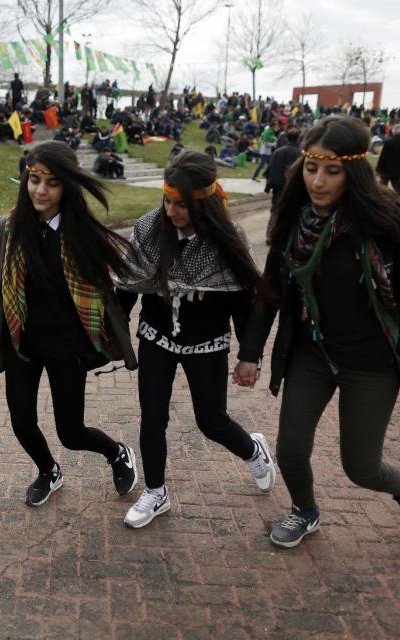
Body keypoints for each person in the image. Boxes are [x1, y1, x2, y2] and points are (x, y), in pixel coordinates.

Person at [234, 116, 400, 549]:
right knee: (291, 450)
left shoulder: (388, 224)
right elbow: (270, 293)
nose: (318, 180)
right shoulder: (292, 221)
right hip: (311, 355)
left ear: (353, 171)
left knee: (361, 467)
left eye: (332, 171)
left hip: (372, 362)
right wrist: (250, 352)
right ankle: (304, 510)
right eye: (312, 168)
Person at [0, 141, 138, 507]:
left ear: (66, 186)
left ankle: (117, 452)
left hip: (68, 346)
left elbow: (115, 290)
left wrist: (115, 331)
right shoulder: (9, 228)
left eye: (51, 182)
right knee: (21, 421)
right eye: (34, 179)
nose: (40, 190)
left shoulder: (82, 233)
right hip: (22, 343)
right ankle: (48, 470)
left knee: (72, 432)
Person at [115, 149, 276, 529]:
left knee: (212, 421)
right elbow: (129, 285)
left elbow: (242, 298)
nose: (172, 212)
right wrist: (114, 332)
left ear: (203, 203)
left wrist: (249, 355)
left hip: (208, 342)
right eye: (168, 201)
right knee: (152, 417)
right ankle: (156, 491)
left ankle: (253, 449)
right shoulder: (148, 229)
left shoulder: (227, 239)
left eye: (183, 205)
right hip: (156, 337)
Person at [264, 130, 302, 243]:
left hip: (278, 187)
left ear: (286, 139)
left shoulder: (278, 152)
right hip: (293, 188)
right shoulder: (300, 154)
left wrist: (268, 185)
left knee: (275, 210)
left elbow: (271, 169)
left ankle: (270, 236)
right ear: (298, 139)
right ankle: (286, 237)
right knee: (291, 212)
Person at [376, 125, 400, 198]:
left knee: (381, 189)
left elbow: (382, 157)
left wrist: (378, 168)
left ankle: (380, 203)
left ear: (393, 132)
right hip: (398, 170)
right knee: (398, 190)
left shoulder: (388, 142)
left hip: (385, 170)